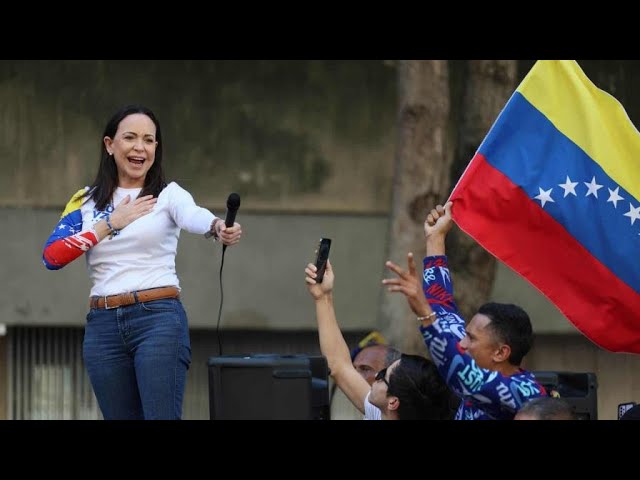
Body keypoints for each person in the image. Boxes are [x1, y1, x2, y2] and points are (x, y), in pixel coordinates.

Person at [42, 105, 242, 420]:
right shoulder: (85, 200)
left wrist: (218, 227)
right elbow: (52, 256)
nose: (140, 147)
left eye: (149, 140)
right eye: (130, 138)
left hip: (158, 319)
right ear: (109, 145)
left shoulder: (168, 194)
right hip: (103, 326)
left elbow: (194, 216)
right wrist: (110, 222)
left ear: (156, 149)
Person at [383, 202, 546, 420]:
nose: (462, 343)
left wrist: (424, 312)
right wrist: (435, 238)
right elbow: (441, 306)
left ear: (501, 353)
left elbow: (465, 377)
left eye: (471, 338)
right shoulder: (472, 355)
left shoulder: (527, 393)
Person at [305, 260, 454, 420]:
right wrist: (323, 297)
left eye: (384, 375)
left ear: (392, 402)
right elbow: (338, 364)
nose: (377, 377)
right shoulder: (381, 413)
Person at [330, 333, 401, 420]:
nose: (355, 375)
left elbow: (336, 364)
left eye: (365, 369)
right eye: (353, 368)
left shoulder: (386, 412)